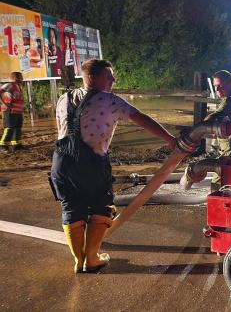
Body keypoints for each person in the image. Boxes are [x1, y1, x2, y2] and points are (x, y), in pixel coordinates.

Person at [50, 59, 176, 273]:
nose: (113, 80)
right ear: (92, 78)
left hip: (61, 163)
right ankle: (92, 258)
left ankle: (78, 261)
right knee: (102, 206)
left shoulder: (64, 98)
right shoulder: (109, 100)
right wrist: (170, 139)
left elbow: (62, 129)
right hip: (92, 163)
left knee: (71, 207)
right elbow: (142, 118)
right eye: (108, 76)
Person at [180, 69, 231, 189]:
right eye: (215, 86)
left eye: (220, 86)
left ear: (230, 84)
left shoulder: (227, 102)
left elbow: (211, 118)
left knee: (218, 184)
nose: (217, 90)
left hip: (230, 153)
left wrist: (198, 130)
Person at [0, 72, 25, 153]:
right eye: (20, 77)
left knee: (18, 128)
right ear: (15, 78)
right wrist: (5, 104)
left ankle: (16, 145)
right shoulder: (10, 85)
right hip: (9, 111)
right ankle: (3, 146)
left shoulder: (19, 87)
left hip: (17, 112)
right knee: (9, 128)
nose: (22, 79)